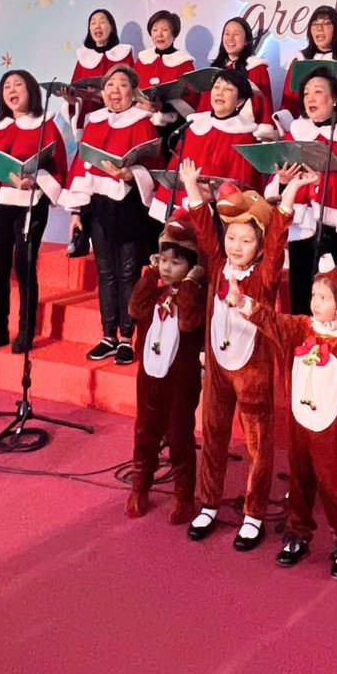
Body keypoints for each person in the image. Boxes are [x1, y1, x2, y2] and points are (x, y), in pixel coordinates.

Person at [179, 157, 316, 551]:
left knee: (258, 444)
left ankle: (254, 513)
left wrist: (290, 190)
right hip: (218, 366)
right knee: (214, 433)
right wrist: (191, 185)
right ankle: (208, 504)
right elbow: (204, 229)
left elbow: (278, 238)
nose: (236, 246)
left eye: (246, 241)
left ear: (257, 246)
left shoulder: (264, 274)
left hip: (252, 369)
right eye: (232, 238)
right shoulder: (219, 263)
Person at [245, 264, 337, 579]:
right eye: (314, 295)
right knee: (298, 480)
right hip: (300, 425)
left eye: (324, 297)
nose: (315, 302)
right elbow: (272, 321)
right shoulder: (301, 328)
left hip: (331, 430)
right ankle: (297, 534)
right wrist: (244, 304)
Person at [62, 64, 161, 365]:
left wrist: (130, 174)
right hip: (99, 208)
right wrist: (76, 211)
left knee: (128, 272)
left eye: (121, 85)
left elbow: (155, 167)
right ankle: (108, 335)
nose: (114, 90)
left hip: (130, 207)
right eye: (109, 85)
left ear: (133, 92)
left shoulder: (143, 122)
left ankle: (127, 339)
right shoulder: (94, 121)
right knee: (105, 273)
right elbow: (81, 168)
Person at [0, 70, 68, 353]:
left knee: (24, 267)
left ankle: (26, 329)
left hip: (31, 202)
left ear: (31, 92)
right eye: (7, 86)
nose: (12, 90)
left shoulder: (45, 125)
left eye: (19, 85)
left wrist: (35, 178)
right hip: (3, 199)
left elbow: (58, 164)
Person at [124, 213, 206, 523]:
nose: (167, 267)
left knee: (179, 435)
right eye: (164, 260)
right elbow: (134, 308)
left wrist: (189, 284)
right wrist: (149, 274)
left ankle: (183, 495)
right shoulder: (154, 293)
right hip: (149, 379)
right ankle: (139, 486)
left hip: (180, 384)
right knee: (144, 432)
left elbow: (187, 322)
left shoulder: (193, 298)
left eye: (176, 263)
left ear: (191, 268)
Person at [267, 67, 337, 315]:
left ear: (334, 99)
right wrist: (282, 180)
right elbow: (279, 178)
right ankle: (301, 342)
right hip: (304, 218)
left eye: (318, 92)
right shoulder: (297, 132)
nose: (310, 98)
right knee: (301, 285)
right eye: (307, 93)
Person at [148, 68, 273, 222]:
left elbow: (243, 182)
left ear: (239, 101)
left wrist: (214, 194)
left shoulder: (244, 135)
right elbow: (177, 165)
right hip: (184, 203)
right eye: (216, 87)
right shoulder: (194, 125)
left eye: (228, 89)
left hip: (220, 214)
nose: (219, 93)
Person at [135, 8, 199, 152]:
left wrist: (163, 106)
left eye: (165, 30)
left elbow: (192, 101)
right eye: (155, 29)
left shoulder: (184, 63)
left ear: (174, 33)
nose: (159, 34)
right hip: (142, 125)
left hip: (171, 129)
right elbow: (132, 90)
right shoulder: (142, 60)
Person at [277, 4, 337, 118]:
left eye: (326, 23)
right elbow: (289, 102)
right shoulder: (300, 61)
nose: (319, 28)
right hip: (305, 126)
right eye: (315, 24)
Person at [62, 8, 135, 130]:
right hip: (90, 119)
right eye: (93, 23)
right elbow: (76, 91)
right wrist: (70, 99)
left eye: (102, 22)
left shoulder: (123, 54)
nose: (97, 26)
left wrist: (99, 94)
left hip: (119, 118)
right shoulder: (84, 58)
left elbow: (134, 90)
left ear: (111, 28)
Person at [196, 16, 274, 123]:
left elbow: (264, 107)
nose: (230, 39)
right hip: (216, 130)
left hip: (246, 131)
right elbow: (204, 108)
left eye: (236, 34)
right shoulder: (215, 70)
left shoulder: (256, 68)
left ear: (247, 40)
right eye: (227, 34)